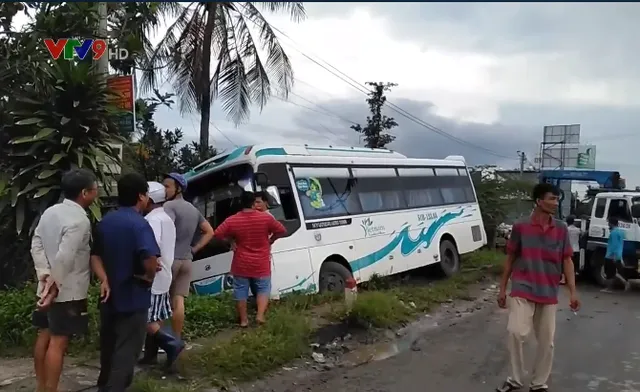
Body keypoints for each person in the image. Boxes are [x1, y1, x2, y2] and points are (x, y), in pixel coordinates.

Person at [496, 183, 580, 392]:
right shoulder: (521, 227)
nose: (555, 203)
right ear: (539, 201)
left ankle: (538, 383)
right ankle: (515, 379)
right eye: (552, 198)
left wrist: (572, 292)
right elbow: (511, 258)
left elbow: (567, 260)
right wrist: (502, 288)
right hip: (523, 287)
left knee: (546, 342)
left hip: (548, 291)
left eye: (557, 199)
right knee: (516, 332)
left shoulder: (561, 229)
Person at [30, 169, 102, 392]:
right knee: (58, 341)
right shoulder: (80, 220)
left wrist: (44, 275)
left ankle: (42, 387)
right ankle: (51, 389)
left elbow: (37, 243)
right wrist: (53, 289)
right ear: (84, 192)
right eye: (94, 188)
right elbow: (66, 256)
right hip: (66, 290)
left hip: (46, 287)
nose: (96, 191)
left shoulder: (51, 212)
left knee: (44, 334)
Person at [93, 173, 161, 392]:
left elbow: (94, 255)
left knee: (109, 347)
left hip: (109, 296)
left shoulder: (105, 222)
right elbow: (150, 258)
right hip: (133, 297)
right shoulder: (139, 225)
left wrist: (104, 278)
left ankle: (104, 386)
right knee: (127, 351)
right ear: (141, 196)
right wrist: (149, 276)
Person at [214, 191, 287, 327]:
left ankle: (243, 320)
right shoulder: (265, 218)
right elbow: (282, 230)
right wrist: (271, 240)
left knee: (241, 290)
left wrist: (230, 241)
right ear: (254, 203)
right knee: (263, 289)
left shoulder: (233, 220)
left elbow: (217, 233)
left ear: (240, 203)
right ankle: (260, 316)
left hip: (241, 263)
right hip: (261, 262)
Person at [138, 181, 185, 369]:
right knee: (156, 317)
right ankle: (150, 356)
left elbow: (151, 245)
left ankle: (172, 344)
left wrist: (147, 267)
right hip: (164, 273)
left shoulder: (152, 220)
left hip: (153, 275)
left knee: (146, 318)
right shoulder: (165, 217)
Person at [162, 173, 214, 339]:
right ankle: (176, 339)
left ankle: (161, 341)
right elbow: (209, 231)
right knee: (179, 301)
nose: (164, 190)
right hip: (187, 260)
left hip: (170, 260)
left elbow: (165, 230)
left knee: (161, 301)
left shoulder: (168, 207)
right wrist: (194, 249)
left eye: (167, 186)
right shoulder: (193, 209)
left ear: (178, 189)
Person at [603, 216, 629, 292]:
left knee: (609, 273)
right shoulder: (621, 232)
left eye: (608, 223)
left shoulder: (613, 233)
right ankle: (625, 282)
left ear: (611, 224)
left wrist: (613, 256)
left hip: (611, 255)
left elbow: (614, 245)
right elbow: (620, 243)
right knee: (614, 272)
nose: (608, 224)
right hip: (618, 254)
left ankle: (609, 289)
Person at [560, 216, 581, 285]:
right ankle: (573, 279)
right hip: (576, 249)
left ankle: (563, 279)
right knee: (574, 265)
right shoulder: (578, 230)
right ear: (574, 222)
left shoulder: (566, 230)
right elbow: (583, 233)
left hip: (568, 249)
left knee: (565, 265)